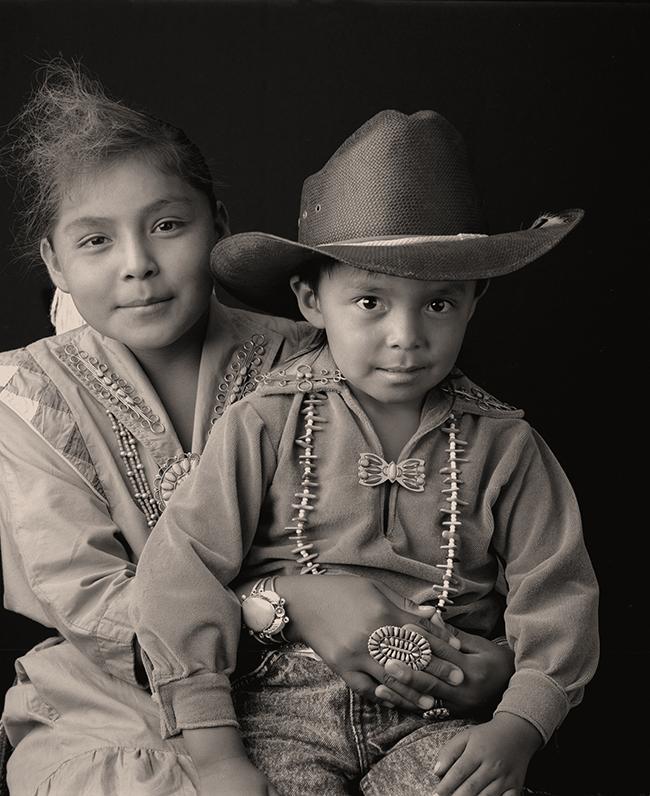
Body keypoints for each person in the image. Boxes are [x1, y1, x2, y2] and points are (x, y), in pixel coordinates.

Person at [0, 63, 513, 796]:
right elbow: (91, 602)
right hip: (121, 700)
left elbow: (417, 524)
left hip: (321, 689)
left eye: (167, 225)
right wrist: (290, 601)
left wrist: (467, 654)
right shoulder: (28, 395)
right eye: (95, 242)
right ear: (54, 261)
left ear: (217, 223)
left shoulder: (311, 353)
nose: (138, 266)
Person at [130, 109, 600, 796]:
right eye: (371, 301)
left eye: (438, 305)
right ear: (311, 299)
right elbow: (178, 576)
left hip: (439, 714)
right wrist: (217, 755)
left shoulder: (507, 447)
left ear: (475, 300)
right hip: (282, 706)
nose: (406, 336)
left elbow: (560, 594)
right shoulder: (264, 423)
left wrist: (518, 729)